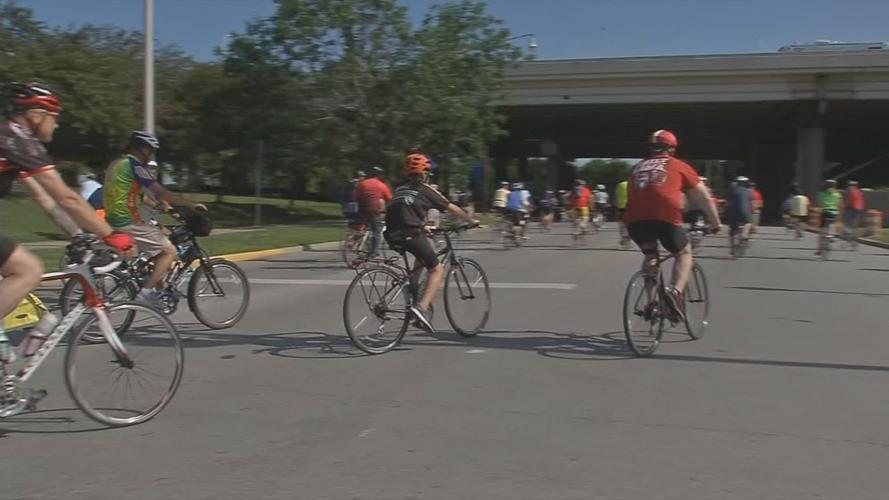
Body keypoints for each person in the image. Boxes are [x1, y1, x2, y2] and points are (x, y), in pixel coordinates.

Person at [0, 82, 134, 338]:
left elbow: (46, 200)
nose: (57, 124)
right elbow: (67, 197)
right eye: (55, 117)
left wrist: (78, 234)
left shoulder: (12, 144)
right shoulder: (18, 141)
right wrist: (111, 236)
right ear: (36, 114)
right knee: (27, 270)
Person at [624, 130, 720, 320]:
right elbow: (704, 198)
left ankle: (651, 304)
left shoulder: (636, 168)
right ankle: (675, 293)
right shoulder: (678, 165)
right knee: (684, 254)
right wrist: (716, 222)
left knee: (651, 255)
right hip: (665, 217)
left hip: (635, 219)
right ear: (672, 149)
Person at [104, 130, 206, 307]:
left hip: (112, 217)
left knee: (158, 246)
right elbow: (161, 192)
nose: (152, 155)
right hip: (127, 219)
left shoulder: (116, 163)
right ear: (143, 149)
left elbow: (136, 194)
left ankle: (154, 282)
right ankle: (146, 293)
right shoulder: (135, 166)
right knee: (170, 251)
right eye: (151, 151)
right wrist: (190, 204)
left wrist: (163, 206)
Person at [384, 153, 475, 332]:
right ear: (425, 173)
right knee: (437, 269)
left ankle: (413, 291)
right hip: (409, 233)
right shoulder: (426, 189)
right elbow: (451, 208)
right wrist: (471, 221)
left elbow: (404, 210)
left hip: (391, 234)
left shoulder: (399, 189)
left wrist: (422, 226)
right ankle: (421, 308)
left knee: (422, 257)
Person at [355, 166, 392, 258]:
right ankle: (374, 252)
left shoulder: (362, 184)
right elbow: (389, 198)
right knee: (376, 231)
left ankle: (356, 237)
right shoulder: (381, 185)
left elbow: (357, 196)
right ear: (379, 175)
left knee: (361, 223)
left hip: (362, 209)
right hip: (375, 210)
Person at [816, 179, 842, 255]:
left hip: (825, 212)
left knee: (821, 232)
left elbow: (819, 202)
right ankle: (831, 236)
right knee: (832, 223)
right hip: (834, 212)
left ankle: (819, 249)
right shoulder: (837, 194)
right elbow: (839, 203)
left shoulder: (821, 194)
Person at [725, 176, 754, 243]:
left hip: (733, 214)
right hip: (744, 213)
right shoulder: (748, 192)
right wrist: (752, 212)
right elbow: (751, 204)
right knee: (749, 222)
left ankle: (732, 246)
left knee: (732, 228)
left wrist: (727, 212)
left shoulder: (732, 191)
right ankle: (744, 234)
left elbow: (728, 203)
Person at [615, 179, 629, 244]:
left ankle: (623, 237)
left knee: (621, 223)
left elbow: (617, 196)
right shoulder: (633, 184)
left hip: (621, 206)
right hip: (632, 206)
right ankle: (630, 235)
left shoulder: (620, 184)